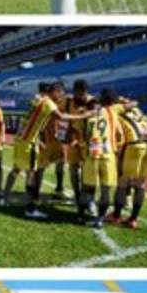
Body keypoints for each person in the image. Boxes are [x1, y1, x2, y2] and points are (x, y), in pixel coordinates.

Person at [1, 82, 94, 217]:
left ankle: (5, 198)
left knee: (17, 169)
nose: (61, 97)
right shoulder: (48, 103)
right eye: (60, 94)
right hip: (29, 143)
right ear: (55, 92)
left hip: (22, 140)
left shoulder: (37, 100)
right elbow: (61, 116)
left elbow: (30, 119)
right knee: (31, 175)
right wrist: (85, 115)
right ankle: (31, 209)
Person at [79, 90, 127, 228]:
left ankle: (81, 215)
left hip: (92, 154)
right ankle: (99, 219)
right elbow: (120, 135)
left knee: (87, 187)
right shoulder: (113, 112)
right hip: (108, 155)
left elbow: (83, 136)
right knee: (105, 190)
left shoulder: (88, 114)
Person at [109, 100, 147, 228]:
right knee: (140, 184)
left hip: (133, 145)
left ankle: (116, 216)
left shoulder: (114, 110)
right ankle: (133, 219)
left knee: (122, 182)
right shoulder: (138, 111)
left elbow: (117, 134)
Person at [63, 80, 96, 214]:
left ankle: (90, 199)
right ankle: (77, 196)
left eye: (83, 94)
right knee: (73, 169)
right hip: (74, 139)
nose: (81, 96)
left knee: (89, 171)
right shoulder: (68, 101)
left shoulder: (93, 102)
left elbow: (92, 115)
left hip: (89, 141)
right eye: (78, 93)